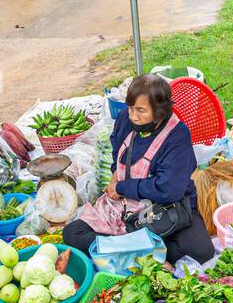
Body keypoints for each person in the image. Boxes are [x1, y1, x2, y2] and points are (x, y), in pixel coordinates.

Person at [62, 74, 215, 266]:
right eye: (130, 108)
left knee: (201, 251)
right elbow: (118, 149)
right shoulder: (127, 119)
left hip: (166, 207)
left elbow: (168, 189)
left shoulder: (177, 136)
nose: (133, 115)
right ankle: (144, 253)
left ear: (160, 111)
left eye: (141, 110)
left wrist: (121, 188)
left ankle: (127, 251)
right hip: (124, 206)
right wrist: (114, 177)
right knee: (72, 234)